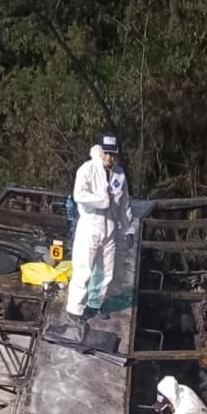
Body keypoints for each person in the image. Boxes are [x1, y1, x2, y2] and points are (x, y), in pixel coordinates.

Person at [66, 134, 133, 321]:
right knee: (83, 269)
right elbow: (79, 194)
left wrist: (128, 228)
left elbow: (124, 203)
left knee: (106, 271)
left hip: (110, 228)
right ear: (101, 152)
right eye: (107, 153)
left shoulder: (119, 174)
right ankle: (74, 309)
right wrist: (102, 200)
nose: (109, 157)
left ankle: (94, 305)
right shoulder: (87, 169)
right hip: (90, 225)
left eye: (113, 154)